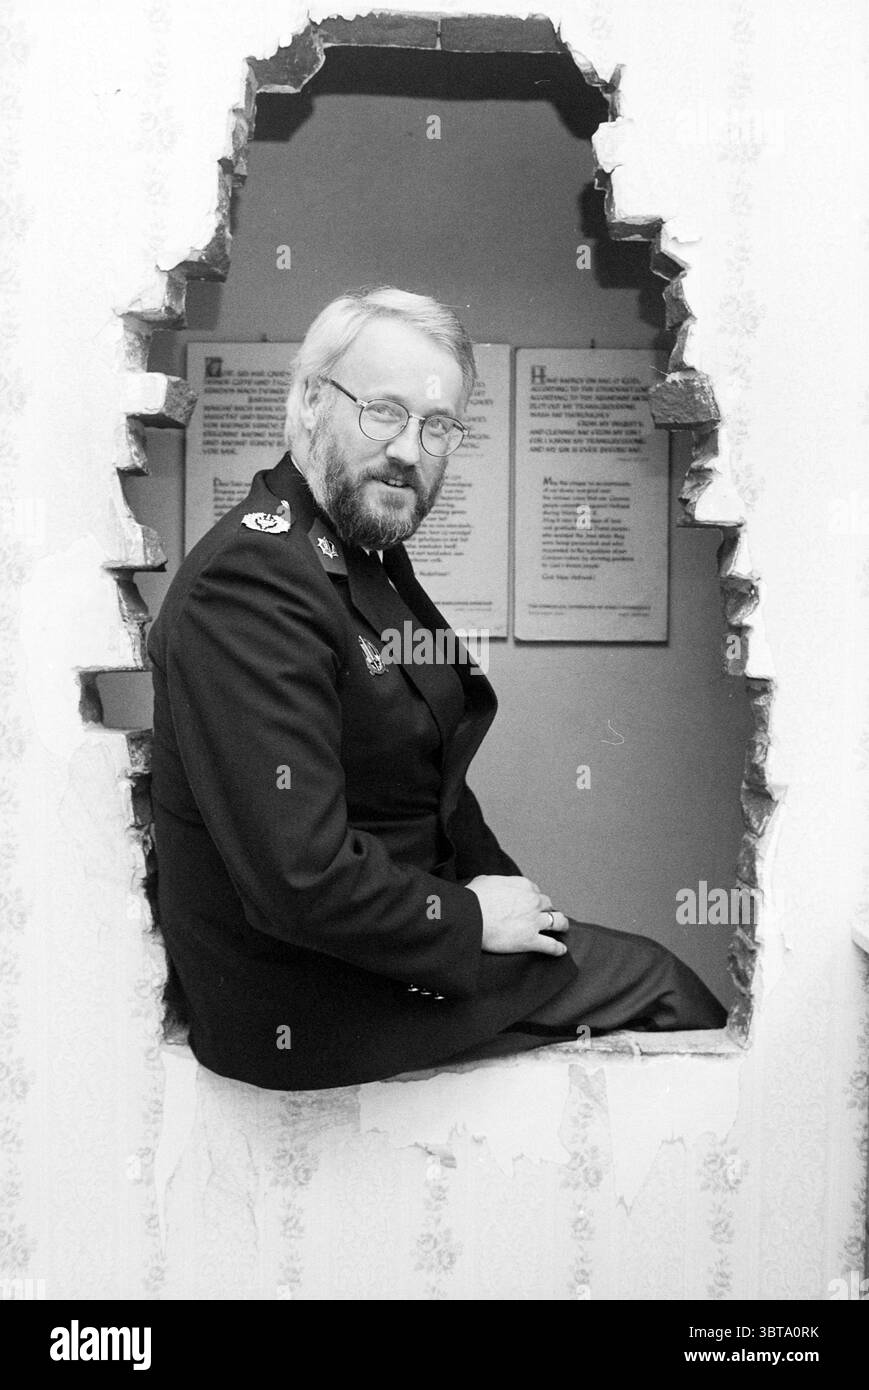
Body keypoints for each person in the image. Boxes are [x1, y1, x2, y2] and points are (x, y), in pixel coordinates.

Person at [147, 285, 726, 1091]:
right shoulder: (251, 582)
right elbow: (297, 879)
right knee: (662, 985)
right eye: (382, 412)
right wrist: (474, 919)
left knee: (622, 969)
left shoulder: (355, 551)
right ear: (313, 402)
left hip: (382, 949)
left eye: (437, 426)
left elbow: (428, 779)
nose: (409, 451)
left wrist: (530, 912)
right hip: (303, 995)